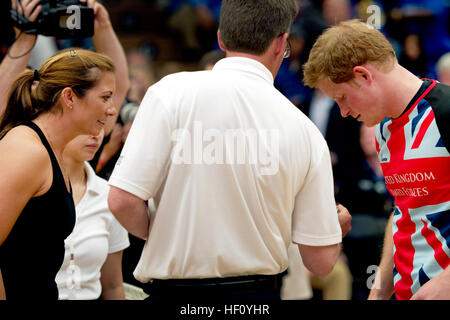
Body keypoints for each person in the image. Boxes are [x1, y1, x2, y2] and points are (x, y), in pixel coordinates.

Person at [108, 0, 351, 302]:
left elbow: (121, 201)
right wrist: (332, 231)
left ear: (221, 37)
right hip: (257, 299)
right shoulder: (305, 130)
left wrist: (166, 231)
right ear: (281, 43)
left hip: (172, 295)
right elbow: (320, 262)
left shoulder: (167, 93)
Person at [303, 19, 450, 300]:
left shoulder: (444, 111)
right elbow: (404, 211)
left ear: (363, 76)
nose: (343, 112)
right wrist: (381, 287)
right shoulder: (383, 129)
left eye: (343, 98)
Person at [0, 48, 116, 300]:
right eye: (105, 97)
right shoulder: (26, 150)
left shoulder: (54, 151)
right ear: (70, 97)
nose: (112, 110)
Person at [55, 129, 129, 300]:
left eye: (101, 125)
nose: (96, 134)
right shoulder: (31, 187)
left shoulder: (108, 196)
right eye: (87, 125)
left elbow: (113, 286)